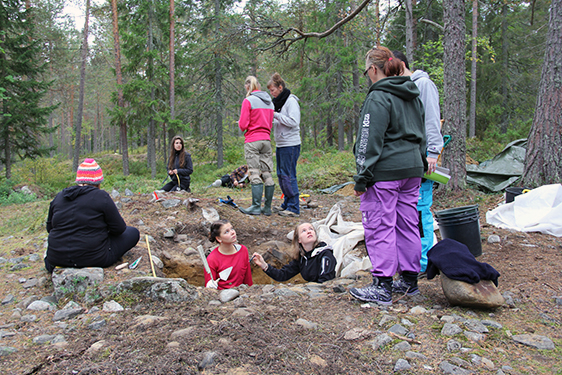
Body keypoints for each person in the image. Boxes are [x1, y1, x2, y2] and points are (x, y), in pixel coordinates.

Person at [349, 47, 427, 305]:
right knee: (407, 223)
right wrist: (422, 162)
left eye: (366, 71)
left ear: (373, 69)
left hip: (386, 172)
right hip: (413, 169)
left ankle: (382, 285)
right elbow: (422, 132)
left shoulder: (378, 97)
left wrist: (362, 176)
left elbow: (368, 140)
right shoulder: (412, 95)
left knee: (379, 223)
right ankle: (408, 280)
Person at [393, 50, 444, 278]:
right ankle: (409, 259)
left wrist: (433, 152)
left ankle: (423, 263)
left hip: (423, 160)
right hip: (407, 160)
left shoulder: (423, 84)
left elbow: (432, 120)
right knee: (407, 212)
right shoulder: (402, 88)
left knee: (420, 210)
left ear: (401, 65)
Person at [45, 159, 140, 273]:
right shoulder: (101, 196)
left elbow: (49, 228)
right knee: (133, 232)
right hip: (94, 258)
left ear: (79, 179)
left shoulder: (60, 197)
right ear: (98, 182)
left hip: (56, 259)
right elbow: (119, 229)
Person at [238, 76, 276, 216]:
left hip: (253, 140)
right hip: (266, 140)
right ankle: (267, 207)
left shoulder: (248, 101)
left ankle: (255, 206)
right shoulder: (269, 102)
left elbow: (243, 125)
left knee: (254, 172)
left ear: (248, 87)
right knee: (267, 173)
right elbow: (271, 122)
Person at [251, 223, 336, 283]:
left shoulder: (325, 254)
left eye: (311, 229)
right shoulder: (302, 258)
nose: (309, 232)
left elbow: (326, 282)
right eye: (304, 231)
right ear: (299, 240)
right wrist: (264, 265)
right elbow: (282, 275)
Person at [267, 73, 301, 217]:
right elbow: (281, 121)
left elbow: (294, 121)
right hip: (281, 143)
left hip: (291, 144)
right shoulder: (278, 103)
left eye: (273, 90)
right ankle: (286, 203)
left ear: (280, 88)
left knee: (288, 175)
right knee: (281, 175)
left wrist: (275, 115)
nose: (272, 93)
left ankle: (294, 207)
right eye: (270, 91)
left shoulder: (291, 101)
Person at [205, 220, 253, 289]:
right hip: (221, 296)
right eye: (226, 232)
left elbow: (248, 278)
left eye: (232, 229)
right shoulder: (212, 259)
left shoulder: (243, 250)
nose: (232, 232)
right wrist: (210, 285)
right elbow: (209, 287)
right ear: (219, 238)